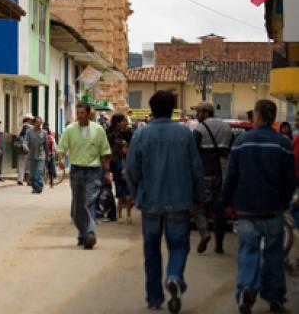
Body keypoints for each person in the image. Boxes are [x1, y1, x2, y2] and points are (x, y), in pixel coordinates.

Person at [126, 90, 205, 313]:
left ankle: (154, 298)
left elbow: (131, 169)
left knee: (151, 250)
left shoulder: (141, 135)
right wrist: (199, 197)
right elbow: (196, 168)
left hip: (150, 202)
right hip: (179, 201)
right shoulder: (185, 134)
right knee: (179, 245)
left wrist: (135, 193)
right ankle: (174, 276)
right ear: (173, 109)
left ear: (151, 109)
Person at [222, 99, 296, 314]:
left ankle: (247, 288)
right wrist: (284, 203)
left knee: (248, 251)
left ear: (257, 115)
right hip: (273, 209)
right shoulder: (283, 144)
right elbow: (290, 180)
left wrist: (226, 202)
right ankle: (275, 298)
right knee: (274, 254)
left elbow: (231, 176)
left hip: (246, 209)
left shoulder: (242, 142)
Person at [58, 100, 111, 250]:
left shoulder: (98, 130)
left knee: (89, 202)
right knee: (77, 208)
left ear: (88, 114)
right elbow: (61, 148)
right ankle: (83, 233)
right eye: (78, 113)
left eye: (82, 113)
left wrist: (107, 172)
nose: (79, 116)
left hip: (93, 171)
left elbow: (105, 152)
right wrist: (61, 160)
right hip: (76, 171)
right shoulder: (69, 129)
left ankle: (90, 233)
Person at [191, 101, 232, 254]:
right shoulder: (226, 127)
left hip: (205, 173)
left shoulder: (200, 129)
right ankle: (219, 245)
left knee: (198, 205)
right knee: (219, 210)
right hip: (222, 174)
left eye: (198, 112)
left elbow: (193, 154)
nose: (197, 115)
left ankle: (204, 232)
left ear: (205, 112)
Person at [26, 116, 48, 194]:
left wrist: (47, 157)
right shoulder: (29, 132)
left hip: (41, 155)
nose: (39, 124)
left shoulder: (44, 132)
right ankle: (35, 187)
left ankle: (39, 186)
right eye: (37, 122)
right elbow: (25, 142)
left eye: (40, 123)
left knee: (39, 171)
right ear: (33, 123)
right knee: (32, 174)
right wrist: (26, 147)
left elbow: (46, 146)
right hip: (31, 155)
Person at [15, 114, 33, 186]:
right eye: (31, 119)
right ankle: (29, 181)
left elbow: (17, 137)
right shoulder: (31, 128)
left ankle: (20, 180)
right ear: (28, 119)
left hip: (20, 149)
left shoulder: (20, 127)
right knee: (29, 166)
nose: (31, 121)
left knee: (21, 165)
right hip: (28, 148)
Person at [43, 122, 57, 187]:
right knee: (51, 168)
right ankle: (51, 182)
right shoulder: (51, 135)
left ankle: (44, 181)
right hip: (50, 154)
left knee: (44, 168)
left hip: (45, 154)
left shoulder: (41, 134)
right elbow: (54, 145)